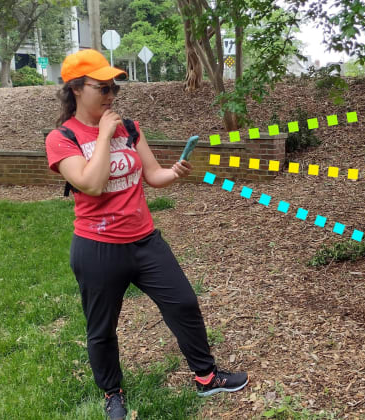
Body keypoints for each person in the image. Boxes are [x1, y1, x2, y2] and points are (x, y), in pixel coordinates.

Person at [45, 49, 248, 420]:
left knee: (183, 303)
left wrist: (175, 172)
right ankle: (113, 393)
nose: (111, 95)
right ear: (76, 88)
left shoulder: (130, 128)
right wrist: (104, 135)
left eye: (114, 87)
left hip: (145, 240)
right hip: (97, 247)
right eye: (103, 88)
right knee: (102, 329)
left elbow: (153, 175)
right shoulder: (62, 138)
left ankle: (206, 378)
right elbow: (91, 184)